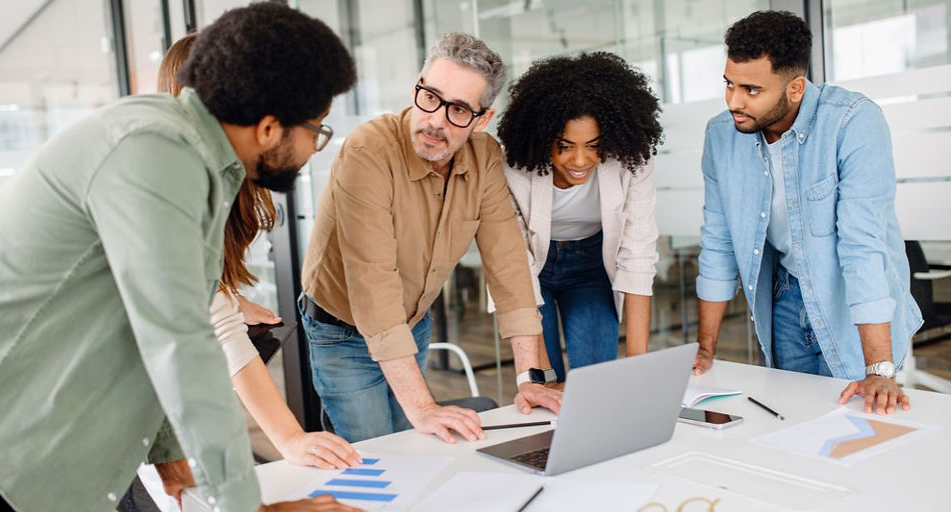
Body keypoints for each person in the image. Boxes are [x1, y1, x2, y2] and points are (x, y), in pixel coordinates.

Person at [0, 4, 361, 512]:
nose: (315, 148)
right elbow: (180, 343)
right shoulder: (155, 152)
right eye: (316, 129)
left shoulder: (195, 159)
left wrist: (169, 453)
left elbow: (147, 322)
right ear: (268, 127)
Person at [300, 32, 561, 444]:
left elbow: (509, 264)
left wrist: (531, 378)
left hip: (412, 322)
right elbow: (374, 285)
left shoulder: (484, 157)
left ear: (482, 119)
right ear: (416, 89)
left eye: (458, 109)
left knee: (409, 442)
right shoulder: (368, 152)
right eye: (430, 97)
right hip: (342, 329)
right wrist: (424, 406)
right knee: (374, 450)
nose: (436, 120)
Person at [146, 32, 362, 507]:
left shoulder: (214, 180)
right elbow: (209, 339)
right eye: (313, 128)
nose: (312, 148)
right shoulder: (166, 180)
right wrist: (287, 443)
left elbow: (201, 295)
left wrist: (223, 294)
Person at [692, 10, 922, 415]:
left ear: (795, 87)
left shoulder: (853, 121)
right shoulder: (721, 136)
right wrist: (704, 350)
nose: (734, 101)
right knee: (793, 421)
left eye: (751, 89)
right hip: (783, 296)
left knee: (859, 427)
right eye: (729, 84)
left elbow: (862, 245)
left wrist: (879, 368)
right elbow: (718, 240)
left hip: (848, 301)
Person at [495, 52, 663, 382]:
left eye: (594, 145)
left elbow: (638, 255)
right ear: (543, 138)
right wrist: (546, 377)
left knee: (597, 383)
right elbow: (517, 269)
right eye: (565, 145)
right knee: (544, 381)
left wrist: (638, 366)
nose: (581, 159)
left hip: (592, 266)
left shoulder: (631, 161)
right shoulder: (513, 168)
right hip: (531, 270)